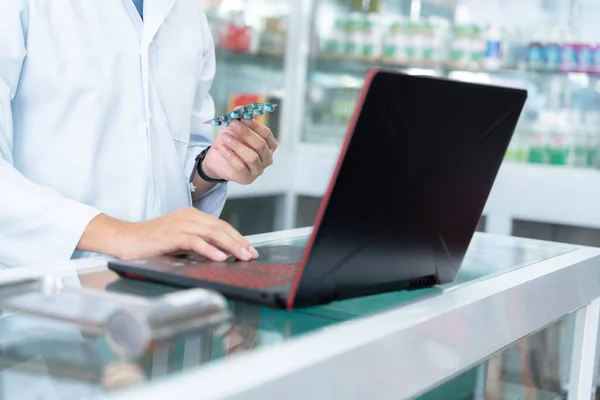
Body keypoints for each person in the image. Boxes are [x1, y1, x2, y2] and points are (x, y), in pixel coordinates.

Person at [0, 0, 277, 268]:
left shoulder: (186, 11)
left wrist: (209, 169)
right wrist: (125, 235)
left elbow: (174, 157)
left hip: (162, 279)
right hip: (45, 290)